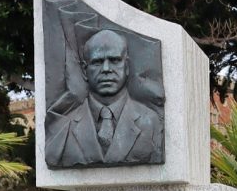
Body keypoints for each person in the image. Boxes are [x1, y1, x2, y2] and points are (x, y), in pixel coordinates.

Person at [45, 29, 164, 168]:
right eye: (97, 62)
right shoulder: (63, 127)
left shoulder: (152, 122)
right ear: (84, 70)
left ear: (126, 67)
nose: (106, 69)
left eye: (114, 60)